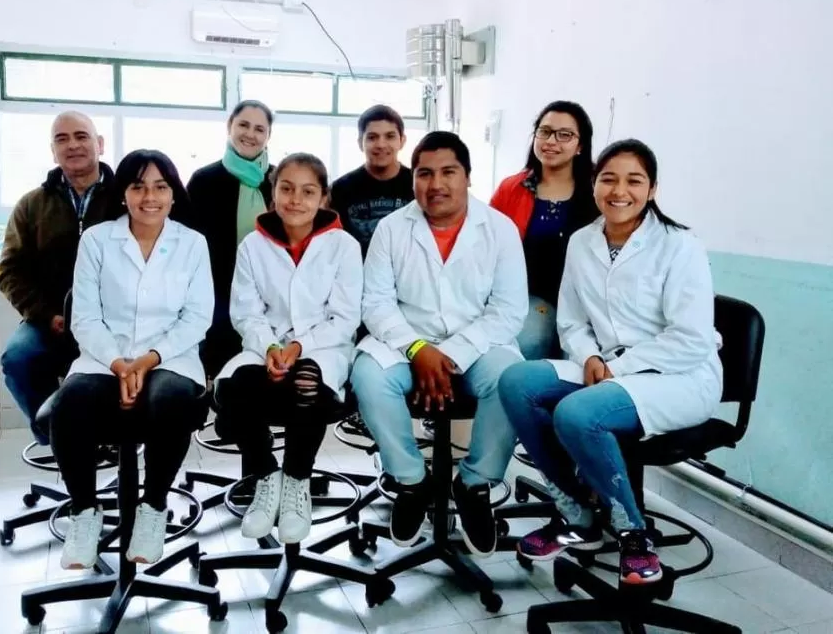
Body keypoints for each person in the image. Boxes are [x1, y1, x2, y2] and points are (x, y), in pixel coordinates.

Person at [498, 139, 722, 585]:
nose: (620, 190)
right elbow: (572, 320)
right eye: (608, 178)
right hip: (603, 366)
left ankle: (631, 532)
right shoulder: (583, 241)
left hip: (678, 377)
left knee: (578, 412)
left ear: (653, 189)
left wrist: (616, 368)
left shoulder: (680, 246)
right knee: (516, 381)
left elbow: (692, 338)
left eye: (634, 180)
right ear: (594, 184)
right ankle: (575, 514)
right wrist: (590, 356)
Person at [350, 131, 529, 558]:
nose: (436, 184)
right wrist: (417, 350)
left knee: (514, 379)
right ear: (413, 181)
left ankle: (474, 484)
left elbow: (508, 310)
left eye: (449, 172)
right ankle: (411, 480)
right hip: (403, 344)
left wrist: (448, 355)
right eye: (425, 173)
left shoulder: (499, 229)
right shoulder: (392, 229)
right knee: (368, 376)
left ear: (468, 177)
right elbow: (374, 303)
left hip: (477, 347)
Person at [51, 150, 213, 570]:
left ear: (174, 194)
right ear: (123, 193)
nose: (149, 197)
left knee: (171, 400)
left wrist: (148, 360)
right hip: (104, 358)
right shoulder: (98, 240)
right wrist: (120, 363)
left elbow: (198, 317)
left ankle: (153, 507)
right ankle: (84, 512)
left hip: (170, 357)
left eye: (161, 186)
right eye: (138, 186)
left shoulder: (193, 244)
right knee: (69, 404)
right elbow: (84, 317)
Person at [214, 153, 362, 545]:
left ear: (323, 198)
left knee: (309, 379)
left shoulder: (343, 246)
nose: (295, 199)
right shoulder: (253, 246)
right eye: (286, 188)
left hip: (324, 347)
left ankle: (297, 479)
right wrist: (272, 347)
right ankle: (267, 477)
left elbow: (344, 318)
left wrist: (299, 346)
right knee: (232, 386)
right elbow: (245, 313)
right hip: (265, 347)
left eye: (307, 191)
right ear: (273, 192)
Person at [0, 111, 114, 445]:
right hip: (50, 319)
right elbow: (10, 271)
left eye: (82, 136)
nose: (73, 145)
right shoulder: (31, 205)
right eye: (62, 139)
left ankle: (113, 437)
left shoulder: (125, 197)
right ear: (52, 151)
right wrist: (47, 315)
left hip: (115, 320)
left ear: (99, 144)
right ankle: (61, 439)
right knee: (19, 360)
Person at [490, 101, 599, 360]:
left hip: (585, 303)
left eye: (565, 135)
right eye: (545, 131)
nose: (552, 141)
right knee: (527, 341)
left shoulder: (597, 191)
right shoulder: (512, 188)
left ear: (580, 145)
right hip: (527, 299)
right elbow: (486, 244)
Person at [187, 100, 275, 378]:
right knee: (223, 370)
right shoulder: (203, 180)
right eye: (244, 125)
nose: (251, 134)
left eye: (259, 129)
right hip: (217, 294)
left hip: (270, 293)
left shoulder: (277, 180)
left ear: (268, 136)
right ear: (230, 127)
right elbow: (189, 243)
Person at [330, 104, 414, 257]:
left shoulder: (417, 184)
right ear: (360, 142)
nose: (381, 145)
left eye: (390, 136)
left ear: (402, 141)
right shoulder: (339, 189)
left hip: (408, 275)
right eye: (372, 137)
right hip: (356, 276)